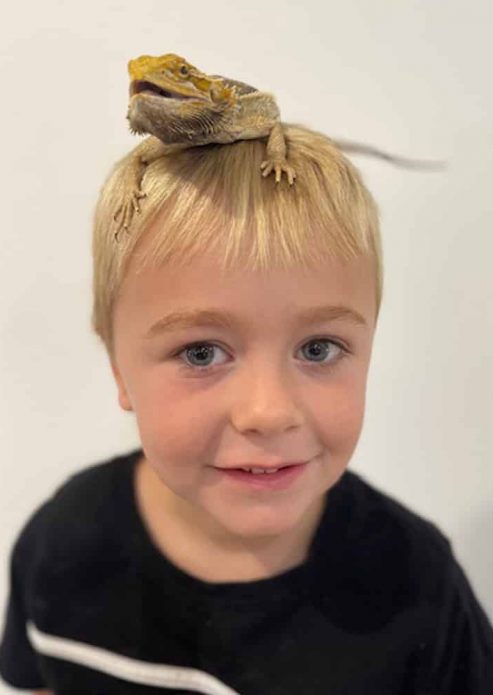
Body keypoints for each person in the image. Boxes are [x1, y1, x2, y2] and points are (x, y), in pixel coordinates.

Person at [1, 124, 492, 694]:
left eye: (318, 348)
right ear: (118, 369)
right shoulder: (61, 543)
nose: (268, 411)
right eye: (201, 352)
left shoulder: (418, 586)